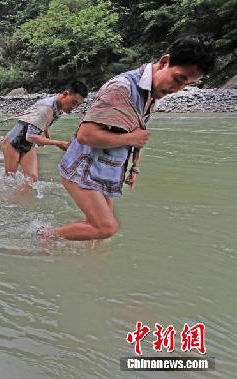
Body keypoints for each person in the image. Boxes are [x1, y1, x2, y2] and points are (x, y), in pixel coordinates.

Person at [45, 35, 216, 242]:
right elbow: (86, 135)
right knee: (105, 227)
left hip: (103, 168)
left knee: (99, 232)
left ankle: (93, 268)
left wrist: (133, 166)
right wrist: (133, 139)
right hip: (83, 168)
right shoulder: (122, 88)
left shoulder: (151, 90)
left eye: (187, 84)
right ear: (164, 62)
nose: (177, 89)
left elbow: (134, 130)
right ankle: (46, 237)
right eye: (178, 79)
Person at [1, 81, 88, 184]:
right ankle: (5, 200)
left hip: (27, 144)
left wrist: (47, 137)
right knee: (10, 180)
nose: (74, 107)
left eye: (78, 105)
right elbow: (30, 136)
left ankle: (23, 199)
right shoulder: (46, 108)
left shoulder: (58, 106)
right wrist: (58, 143)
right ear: (65, 94)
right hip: (13, 142)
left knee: (32, 179)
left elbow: (44, 122)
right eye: (74, 102)